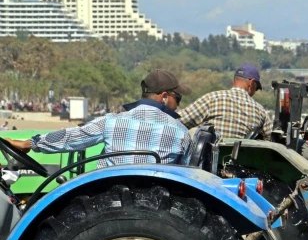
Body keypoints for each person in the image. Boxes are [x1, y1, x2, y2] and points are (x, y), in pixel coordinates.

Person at [4, 70, 193, 168]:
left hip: (112, 201)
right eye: (178, 98)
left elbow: (72, 137)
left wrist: (30, 143)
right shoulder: (181, 132)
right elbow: (187, 173)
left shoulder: (111, 122)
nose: (178, 104)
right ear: (164, 97)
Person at [179, 64, 272, 140]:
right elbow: (269, 140)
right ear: (251, 83)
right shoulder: (261, 111)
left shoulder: (212, 98)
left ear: (234, 80)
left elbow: (180, 120)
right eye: (256, 88)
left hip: (209, 160)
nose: (254, 92)